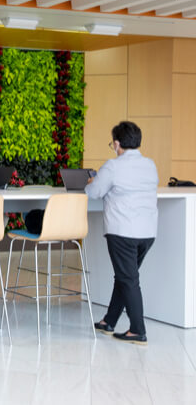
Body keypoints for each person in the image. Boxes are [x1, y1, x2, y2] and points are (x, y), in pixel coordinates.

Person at [85, 121, 158, 345]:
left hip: (123, 232)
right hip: (147, 233)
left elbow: (94, 192)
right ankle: (109, 321)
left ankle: (138, 330)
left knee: (129, 279)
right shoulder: (150, 165)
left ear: (117, 144)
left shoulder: (113, 166)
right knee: (125, 276)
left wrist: (91, 181)